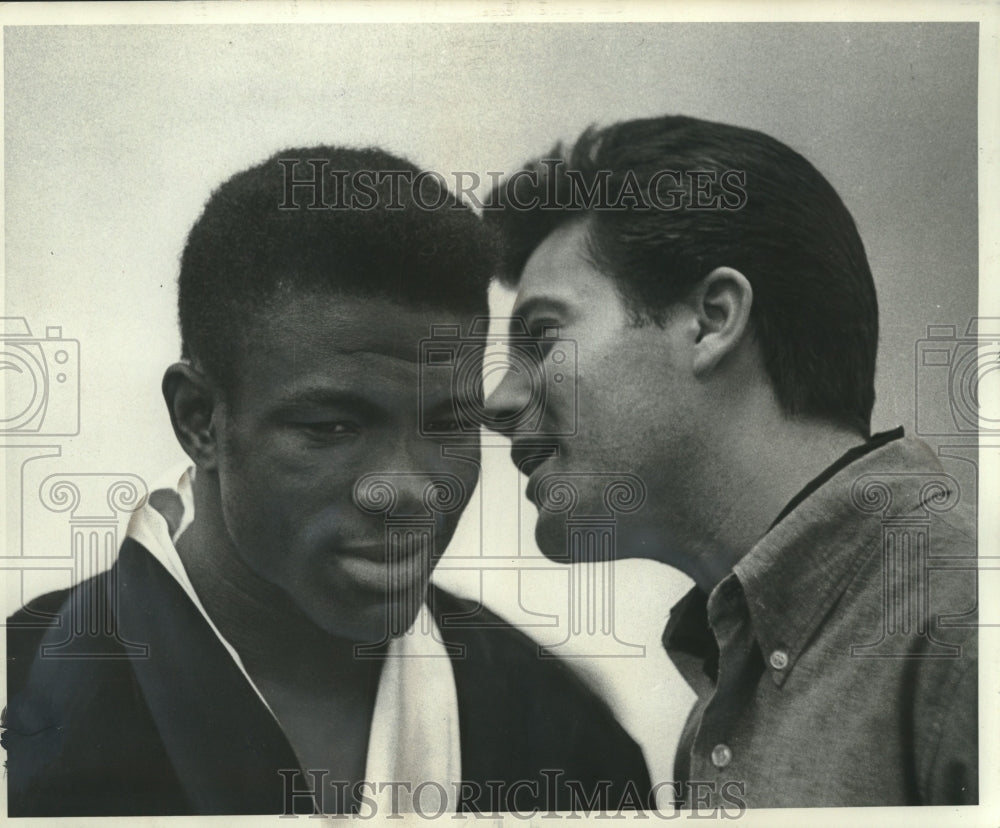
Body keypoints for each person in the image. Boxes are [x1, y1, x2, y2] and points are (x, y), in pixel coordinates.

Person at [4, 146, 651, 817]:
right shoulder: (24, 690)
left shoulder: (563, 739)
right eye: (335, 428)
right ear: (199, 420)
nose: (409, 489)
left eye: (447, 425)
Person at [482, 115, 978, 808]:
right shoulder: (714, 721)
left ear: (713, 319)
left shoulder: (966, 632)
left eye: (541, 335)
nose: (498, 400)